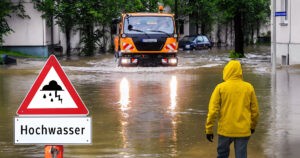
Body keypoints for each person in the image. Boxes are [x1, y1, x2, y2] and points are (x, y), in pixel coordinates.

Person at [205, 60, 259, 158]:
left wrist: (209, 129)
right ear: (240, 71)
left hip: (225, 130)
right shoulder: (248, 88)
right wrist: (252, 126)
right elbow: (255, 111)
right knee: (241, 155)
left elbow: (213, 111)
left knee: (222, 155)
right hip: (243, 130)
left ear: (226, 71)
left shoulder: (220, 88)